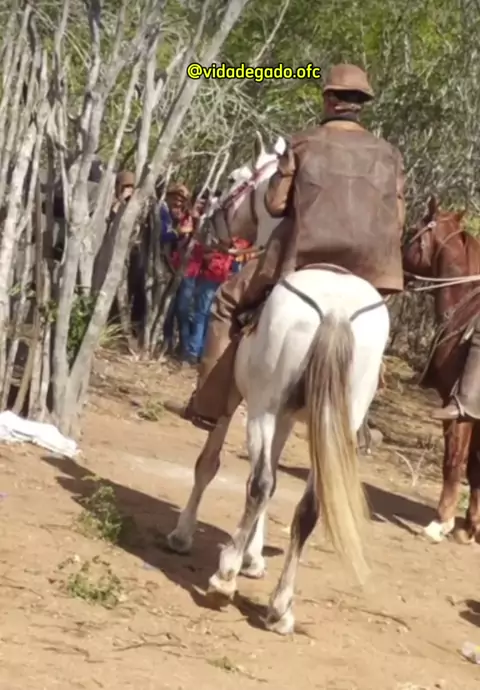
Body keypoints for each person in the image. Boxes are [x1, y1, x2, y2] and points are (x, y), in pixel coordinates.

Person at [166, 64, 406, 431]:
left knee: (226, 301)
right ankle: (360, 414)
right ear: (361, 104)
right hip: (370, 265)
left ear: (329, 99)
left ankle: (207, 405)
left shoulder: (302, 142)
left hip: (304, 254)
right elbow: (398, 218)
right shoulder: (389, 154)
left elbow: (276, 204)